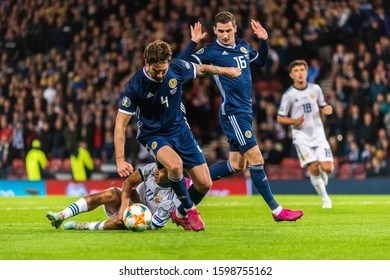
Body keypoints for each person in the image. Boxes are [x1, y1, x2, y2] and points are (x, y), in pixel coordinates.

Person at [179, 12, 303, 221]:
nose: (225, 35)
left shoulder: (243, 46)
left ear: (235, 28)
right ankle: (277, 210)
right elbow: (180, 66)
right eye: (221, 31)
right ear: (215, 31)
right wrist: (192, 43)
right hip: (233, 113)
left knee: (237, 165)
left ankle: (191, 186)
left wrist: (264, 40)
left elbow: (261, 61)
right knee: (256, 158)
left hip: (245, 112)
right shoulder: (210, 51)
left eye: (229, 30)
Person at [114, 39, 241, 231]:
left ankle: (179, 213)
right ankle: (190, 209)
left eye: (163, 70)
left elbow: (203, 69)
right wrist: (120, 159)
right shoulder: (135, 86)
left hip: (180, 130)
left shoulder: (177, 68)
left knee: (205, 183)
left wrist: (227, 71)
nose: (160, 74)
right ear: (146, 62)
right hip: (154, 134)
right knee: (174, 165)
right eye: (156, 70)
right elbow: (120, 125)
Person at [46, 163, 187, 230]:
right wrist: (124, 207)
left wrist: (133, 217)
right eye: (157, 167)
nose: (156, 171)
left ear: (171, 174)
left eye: (161, 171)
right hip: (131, 200)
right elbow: (128, 183)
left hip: (145, 218)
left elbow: (153, 226)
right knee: (110, 193)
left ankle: (84, 226)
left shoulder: (172, 199)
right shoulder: (151, 169)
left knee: (126, 221)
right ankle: (62, 215)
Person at [277, 59, 333, 208]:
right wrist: (293, 121)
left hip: (319, 135)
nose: (300, 73)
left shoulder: (315, 89)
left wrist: (327, 109)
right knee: (313, 167)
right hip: (301, 137)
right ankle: (325, 198)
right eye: (296, 71)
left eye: (302, 70)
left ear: (307, 72)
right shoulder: (288, 95)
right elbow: (280, 117)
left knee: (328, 168)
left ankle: (323, 171)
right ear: (291, 75)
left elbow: (323, 105)